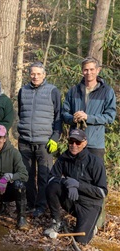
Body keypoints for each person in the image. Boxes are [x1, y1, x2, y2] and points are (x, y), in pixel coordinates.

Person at [61, 57, 116, 229]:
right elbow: (64, 113)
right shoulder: (74, 91)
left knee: (97, 183)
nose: (88, 72)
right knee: (76, 178)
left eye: (92, 69)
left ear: (98, 70)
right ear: (82, 71)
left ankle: (98, 219)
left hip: (94, 143)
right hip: (76, 143)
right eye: (85, 69)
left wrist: (89, 117)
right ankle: (78, 214)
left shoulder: (107, 91)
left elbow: (110, 117)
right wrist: (73, 117)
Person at [44, 129, 107, 245]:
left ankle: (91, 227)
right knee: (52, 187)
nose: (74, 145)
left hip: (90, 204)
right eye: (71, 142)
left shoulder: (95, 162)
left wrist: (78, 185)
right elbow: (51, 178)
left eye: (77, 143)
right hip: (72, 199)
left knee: (81, 240)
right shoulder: (64, 157)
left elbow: (102, 192)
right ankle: (57, 222)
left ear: (85, 143)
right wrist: (66, 182)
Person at [17, 62, 62, 217]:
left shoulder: (53, 91)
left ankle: (41, 206)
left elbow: (58, 116)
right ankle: (30, 203)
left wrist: (55, 137)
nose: (35, 76)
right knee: (27, 175)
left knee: (44, 175)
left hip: (44, 142)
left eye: (38, 74)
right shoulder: (23, 91)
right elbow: (21, 113)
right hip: (25, 141)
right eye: (32, 73)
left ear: (44, 75)